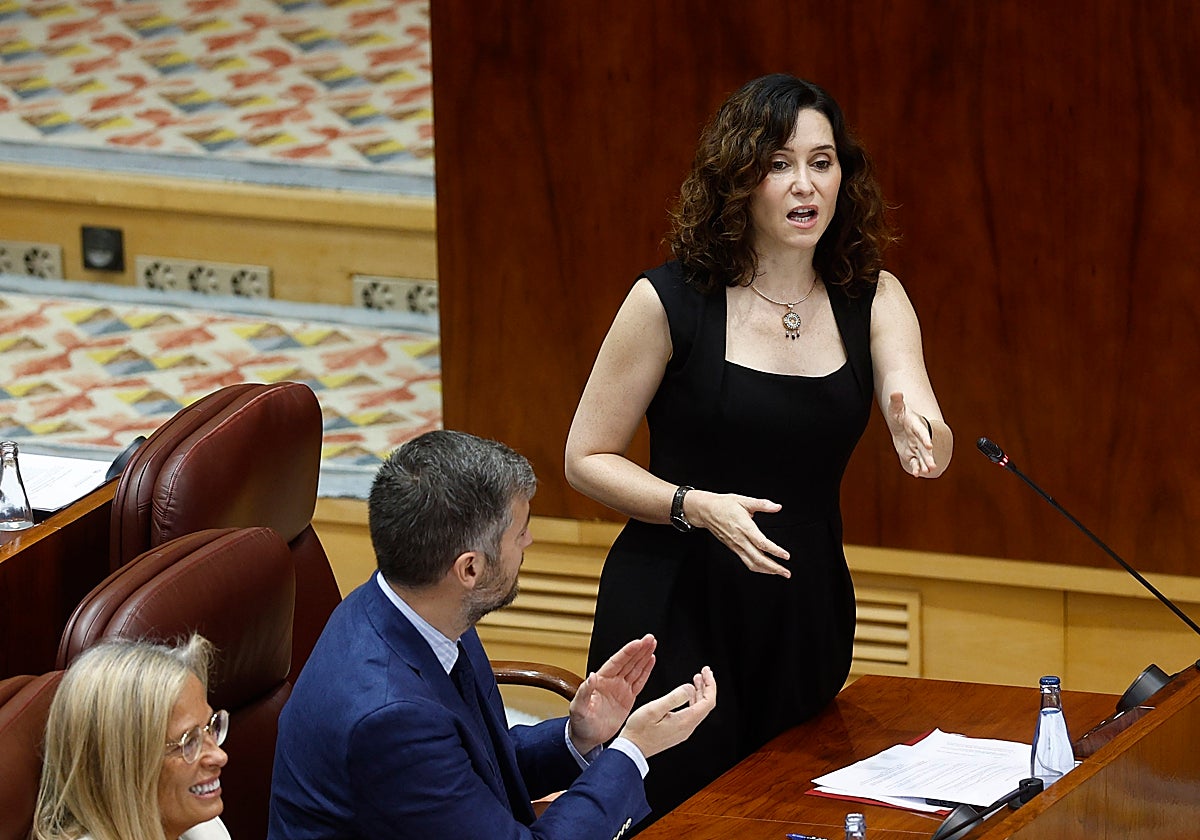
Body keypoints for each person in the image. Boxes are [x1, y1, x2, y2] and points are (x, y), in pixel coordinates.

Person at [565, 73, 954, 819]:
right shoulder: (669, 301)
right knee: (684, 822)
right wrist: (694, 506)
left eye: (822, 160)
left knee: (789, 816)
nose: (805, 183)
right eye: (779, 164)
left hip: (801, 609)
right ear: (739, 180)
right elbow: (585, 457)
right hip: (676, 606)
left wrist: (919, 432)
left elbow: (922, 419)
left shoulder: (874, 298)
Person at [268, 429, 717, 840]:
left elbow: (472, 765)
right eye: (519, 533)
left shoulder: (409, 605)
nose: (529, 542)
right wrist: (631, 752)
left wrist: (577, 737)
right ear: (470, 568)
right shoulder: (392, 718)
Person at [33, 635, 231, 840]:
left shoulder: (202, 829)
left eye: (210, 727)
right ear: (123, 766)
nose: (220, 756)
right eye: (189, 741)